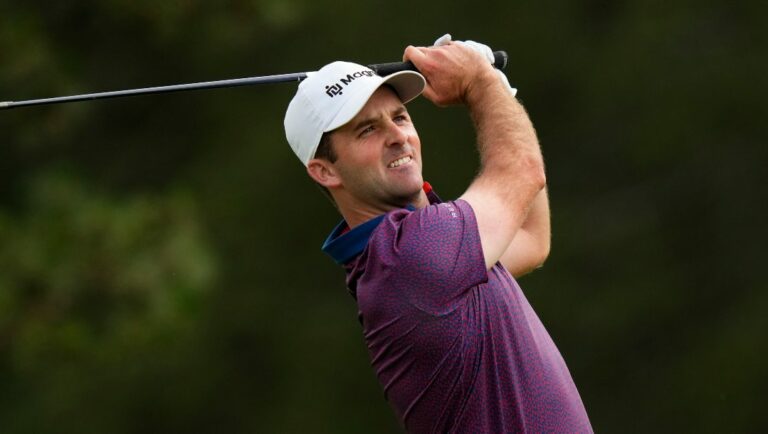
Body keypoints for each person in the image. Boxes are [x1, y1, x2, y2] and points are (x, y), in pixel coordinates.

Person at [283, 35, 592, 433]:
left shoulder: (411, 256)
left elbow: (530, 237)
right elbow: (522, 172)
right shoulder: (409, 255)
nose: (397, 136)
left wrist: (496, 89)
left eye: (399, 117)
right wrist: (480, 83)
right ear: (325, 171)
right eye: (367, 130)